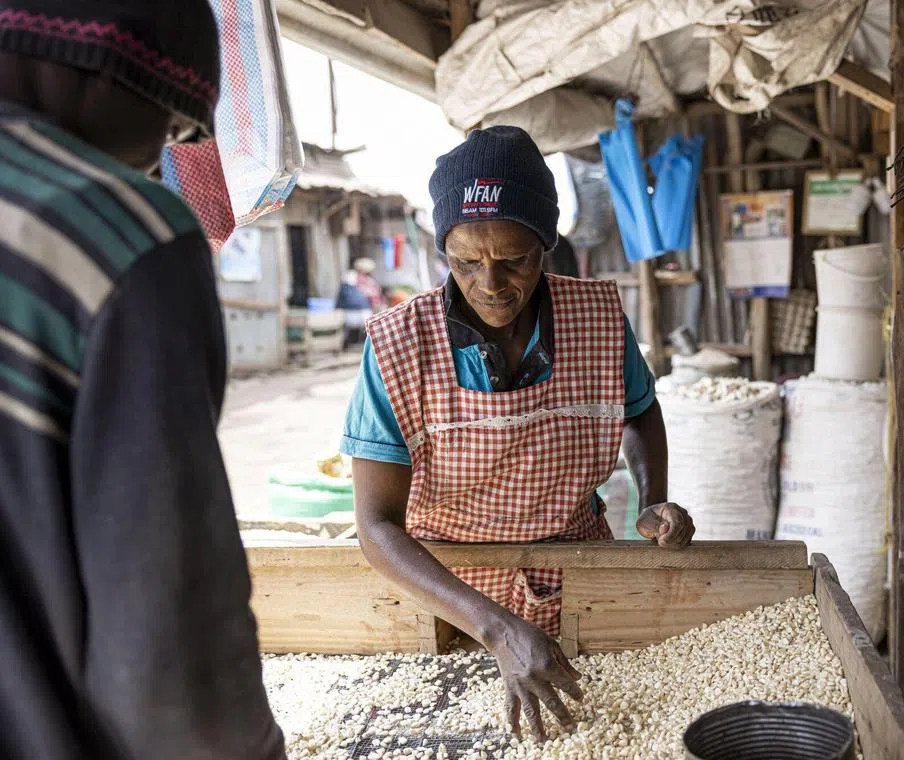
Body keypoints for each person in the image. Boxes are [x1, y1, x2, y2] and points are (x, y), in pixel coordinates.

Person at [341, 126, 695, 742]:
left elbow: (639, 410)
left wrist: (651, 498)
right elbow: (376, 528)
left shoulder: (597, 317)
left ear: (545, 244)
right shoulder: (399, 343)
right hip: (447, 597)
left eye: (514, 259)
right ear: (441, 251)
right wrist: (498, 628)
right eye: (465, 262)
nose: (491, 283)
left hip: (578, 572)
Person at [0, 2, 284, 758]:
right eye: (178, 131)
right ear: (116, 71)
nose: (160, 161)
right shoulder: (116, 232)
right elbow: (170, 656)